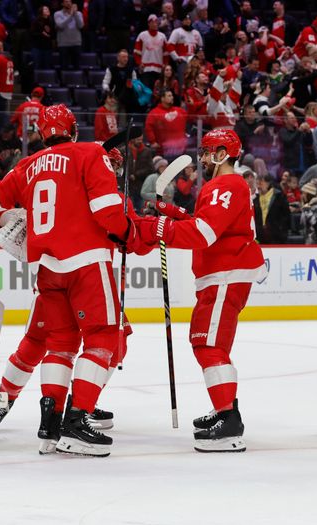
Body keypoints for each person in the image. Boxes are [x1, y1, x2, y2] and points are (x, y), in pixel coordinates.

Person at [0, 104, 138, 457]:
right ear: (74, 129)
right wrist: (129, 233)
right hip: (86, 263)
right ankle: (77, 420)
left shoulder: (27, 165)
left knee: (59, 344)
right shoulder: (90, 152)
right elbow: (109, 211)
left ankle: (51, 423)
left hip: (47, 268)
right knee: (103, 338)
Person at [134, 128, 267, 452]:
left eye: (209, 152)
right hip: (222, 274)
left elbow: (204, 234)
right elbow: (211, 224)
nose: (204, 158)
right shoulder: (226, 186)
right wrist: (176, 214)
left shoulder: (227, 184)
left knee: (208, 345)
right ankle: (225, 409)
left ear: (223, 153)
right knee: (209, 343)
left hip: (226, 274)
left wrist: (161, 227)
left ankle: (228, 422)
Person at [144, 89, 187, 159]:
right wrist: (153, 141)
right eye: (169, 96)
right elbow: (149, 128)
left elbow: (191, 119)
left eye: (172, 95)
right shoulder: (154, 113)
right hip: (163, 151)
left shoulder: (180, 110)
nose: (172, 97)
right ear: (162, 98)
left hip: (181, 150)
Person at [253, 173, 290, 244]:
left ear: (268, 183)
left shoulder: (279, 197)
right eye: (257, 183)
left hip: (277, 236)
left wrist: (280, 229)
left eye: (261, 183)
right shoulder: (255, 200)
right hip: (260, 237)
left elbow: (286, 216)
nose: (258, 186)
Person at [134, 14, 168, 89]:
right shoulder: (142, 35)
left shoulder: (162, 36)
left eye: (156, 22)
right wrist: (139, 63)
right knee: (147, 91)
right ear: (148, 23)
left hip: (158, 69)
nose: (154, 24)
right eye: (152, 22)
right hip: (145, 69)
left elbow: (166, 53)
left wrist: (164, 64)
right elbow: (136, 52)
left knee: (157, 91)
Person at [53, 0, 83, 71]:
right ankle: (64, 81)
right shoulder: (57, 14)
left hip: (76, 43)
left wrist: (75, 14)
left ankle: (77, 81)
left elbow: (81, 26)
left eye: (70, 1)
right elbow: (61, 26)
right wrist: (71, 16)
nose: (68, 3)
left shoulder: (78, 13)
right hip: (63, 44)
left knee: (77, 66)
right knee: (64, 66)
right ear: (62, 3)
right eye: (66, 1)